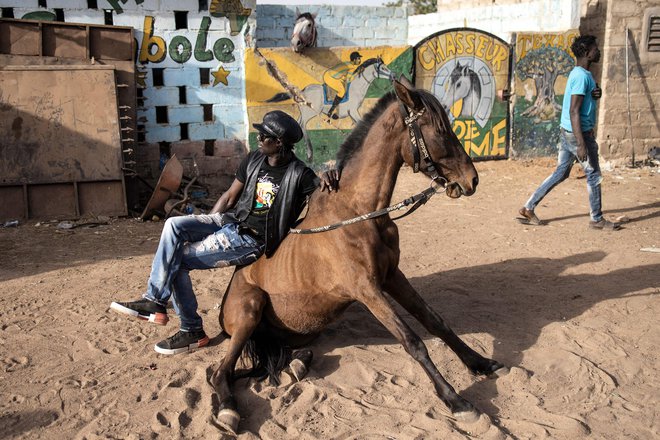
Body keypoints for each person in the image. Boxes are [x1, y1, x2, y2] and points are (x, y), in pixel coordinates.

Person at [111, 110, 335, 355]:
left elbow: (324, 198)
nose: (258, 138)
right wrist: (210, 225)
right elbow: (229, 196)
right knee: (173, 225)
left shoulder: (300, 174)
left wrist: (329, 174)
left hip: (251, 239)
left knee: (179, 260)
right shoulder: (253, 160)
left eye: (264, 135)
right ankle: (154, 300)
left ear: (279, 142)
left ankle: (192, 330)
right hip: (229, 220)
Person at [518, 35, 620, 231]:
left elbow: (581, 102)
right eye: (595, 48)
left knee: (561, 172)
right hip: (578, 134)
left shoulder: (580, 73)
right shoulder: (582, 76)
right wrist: (581, 144)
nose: (598, 51)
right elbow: (574, 110)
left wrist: (594, 94)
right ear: (587, 52)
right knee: (593, 174)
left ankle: (529, 207)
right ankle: (596, 219)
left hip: (568, 132)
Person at [323, 51, 363, 119]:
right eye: (358, 58)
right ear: (354, 60)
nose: (360, 60)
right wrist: (357, 72)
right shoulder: (351, 67)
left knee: (342, 84)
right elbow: (348, 80)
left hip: (331, 75)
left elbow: (344, 75)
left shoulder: (349, 63)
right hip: (330, 77)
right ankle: (331, 111)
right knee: (342, 91)